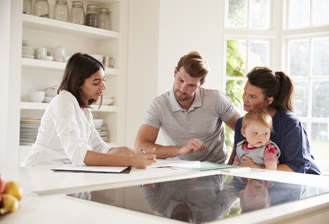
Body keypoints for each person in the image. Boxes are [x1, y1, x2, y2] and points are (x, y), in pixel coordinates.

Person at [22, 53, 156, 168]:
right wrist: (130, 161)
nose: (103, 87)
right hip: (40, 172)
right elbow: (78, 155)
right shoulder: (63, 101)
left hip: (61, 173)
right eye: (96, 82)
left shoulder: (84, 111)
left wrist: (121, 151)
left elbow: (99, 147)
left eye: (103, 80)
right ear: (78, 83)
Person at [134, 51, 241, 164]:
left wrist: (231, 165)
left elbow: (243, 129)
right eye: (180, 80)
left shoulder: (216, 99)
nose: (183, 89)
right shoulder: (159, 105)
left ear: (201, 84)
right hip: (178, 170)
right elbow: (140, 147)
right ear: (175, 72)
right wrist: (180, 150)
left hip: (215, 170)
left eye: (191, 85)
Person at [230, 66, 320, 174]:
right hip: (263, 185)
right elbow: (240, 161)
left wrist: (256, 168)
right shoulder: (242, 123)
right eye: (245, 92)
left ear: (269, 100)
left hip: (303, 182)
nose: (245, 99)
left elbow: (297, 167)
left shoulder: (289, 123)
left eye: (252, 96)